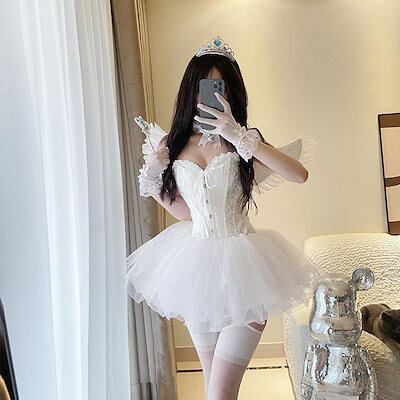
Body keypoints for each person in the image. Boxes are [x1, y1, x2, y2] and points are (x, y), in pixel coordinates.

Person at [127, 36, 319, 400]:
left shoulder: (243, 140)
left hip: (246, 271)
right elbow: (187, 214)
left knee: (220, 392)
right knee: (213, 386)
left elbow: (299, 175)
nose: (215, 95)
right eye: (207, 85)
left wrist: (242, 137)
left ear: (233, 92)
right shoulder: (173, 144)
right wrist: (154, 177)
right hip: (196, 272)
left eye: (222, 87)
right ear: (191, 89)